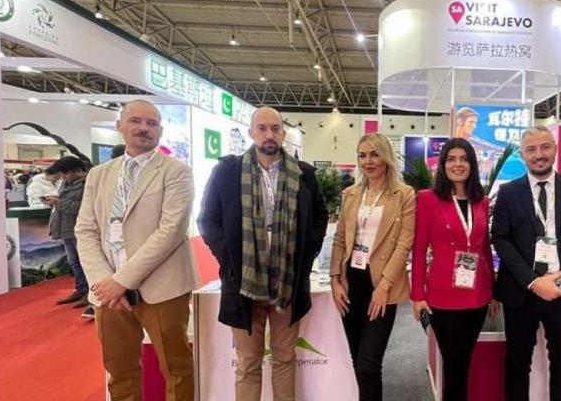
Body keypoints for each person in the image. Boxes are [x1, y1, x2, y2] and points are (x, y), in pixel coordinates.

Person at [197, 107, 328, 401]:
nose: (269, 134)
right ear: (251, 132)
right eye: (262, 128)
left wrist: (307, 254)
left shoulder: (303, 174)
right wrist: (229, 258)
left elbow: (319, 216)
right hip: (243, 284)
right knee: (248, 363)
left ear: (283, 133)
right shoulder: (228, 172)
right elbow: (208, 220)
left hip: (288, 283)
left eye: (275, 128)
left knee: (285, 358)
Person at [75, 100, 198, 401]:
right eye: (136, 121)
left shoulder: (176, 172)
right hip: (108, 292)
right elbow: (86, 230)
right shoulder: (98, 175)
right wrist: (104, 281)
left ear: (160, 130)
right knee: (120, 371)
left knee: (177, 369)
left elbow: (170, 232)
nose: (144, 128)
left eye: (152, 123)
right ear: (119, 125)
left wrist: (122, 280)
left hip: (162, 288)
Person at [491, 125, 561, 401]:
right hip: (521, 291)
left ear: (555, 149)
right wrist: (533, 281)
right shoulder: (508, 192)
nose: (539, 154)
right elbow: (501, 240)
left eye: (545, 147)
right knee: (517, 364)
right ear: (522, 154)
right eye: (531, 149)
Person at [330, 133, 415, 401]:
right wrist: (335, 279)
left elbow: (404, 244)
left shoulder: (404, 194)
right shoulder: (351, 194)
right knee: (356, 359)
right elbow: (340, 238)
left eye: (374, 155)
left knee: (369, 365)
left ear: (386, 158)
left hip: (382, 284)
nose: (368, 161)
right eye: (362, 155)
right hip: (351, 283)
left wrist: (384, 286)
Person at [410, 137, 496, 401]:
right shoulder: (428, 199)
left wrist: (492, 291)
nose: (458, 164)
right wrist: (417, 296)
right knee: (454, 366)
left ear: (472, 164)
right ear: (443, 164)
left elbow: (484, 247)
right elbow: (419, 249)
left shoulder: (481, 201)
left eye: (464, 159)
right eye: (451, 159)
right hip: (443, 296)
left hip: (478, 295)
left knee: (464, 363)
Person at [49, 157, 92, 316]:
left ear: (76, 171)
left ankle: (91, 293)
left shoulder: (87, 184)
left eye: (65, 173)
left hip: (80, 229)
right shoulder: (66, 184)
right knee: (74, 262)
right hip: (66, 228)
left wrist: (59, 203)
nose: (63, 177)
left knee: (85, 262)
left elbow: (83, 208)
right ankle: (81, 289)